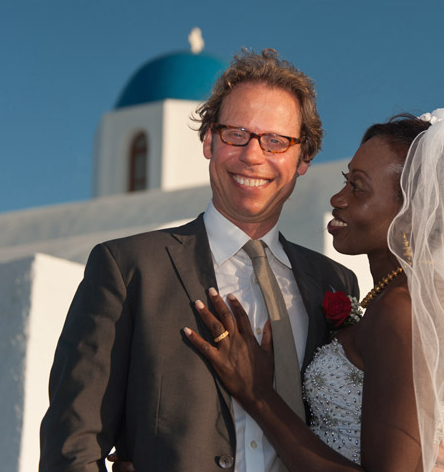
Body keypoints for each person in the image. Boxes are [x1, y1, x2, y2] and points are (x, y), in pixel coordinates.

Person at [185, 107, 444, 471]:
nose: (337, 199)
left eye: (357, 188)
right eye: (345, 181)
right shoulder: (398, 297)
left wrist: (257, 394)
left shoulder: (403, 310)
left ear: (412, 211)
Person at [39, 49, 359, 472]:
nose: (253, 155)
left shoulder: (335, 284)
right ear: (208, 140)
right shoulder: (127, 268)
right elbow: (73, 447)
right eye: (236, 134)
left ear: (303, 160)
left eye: (277, 141)